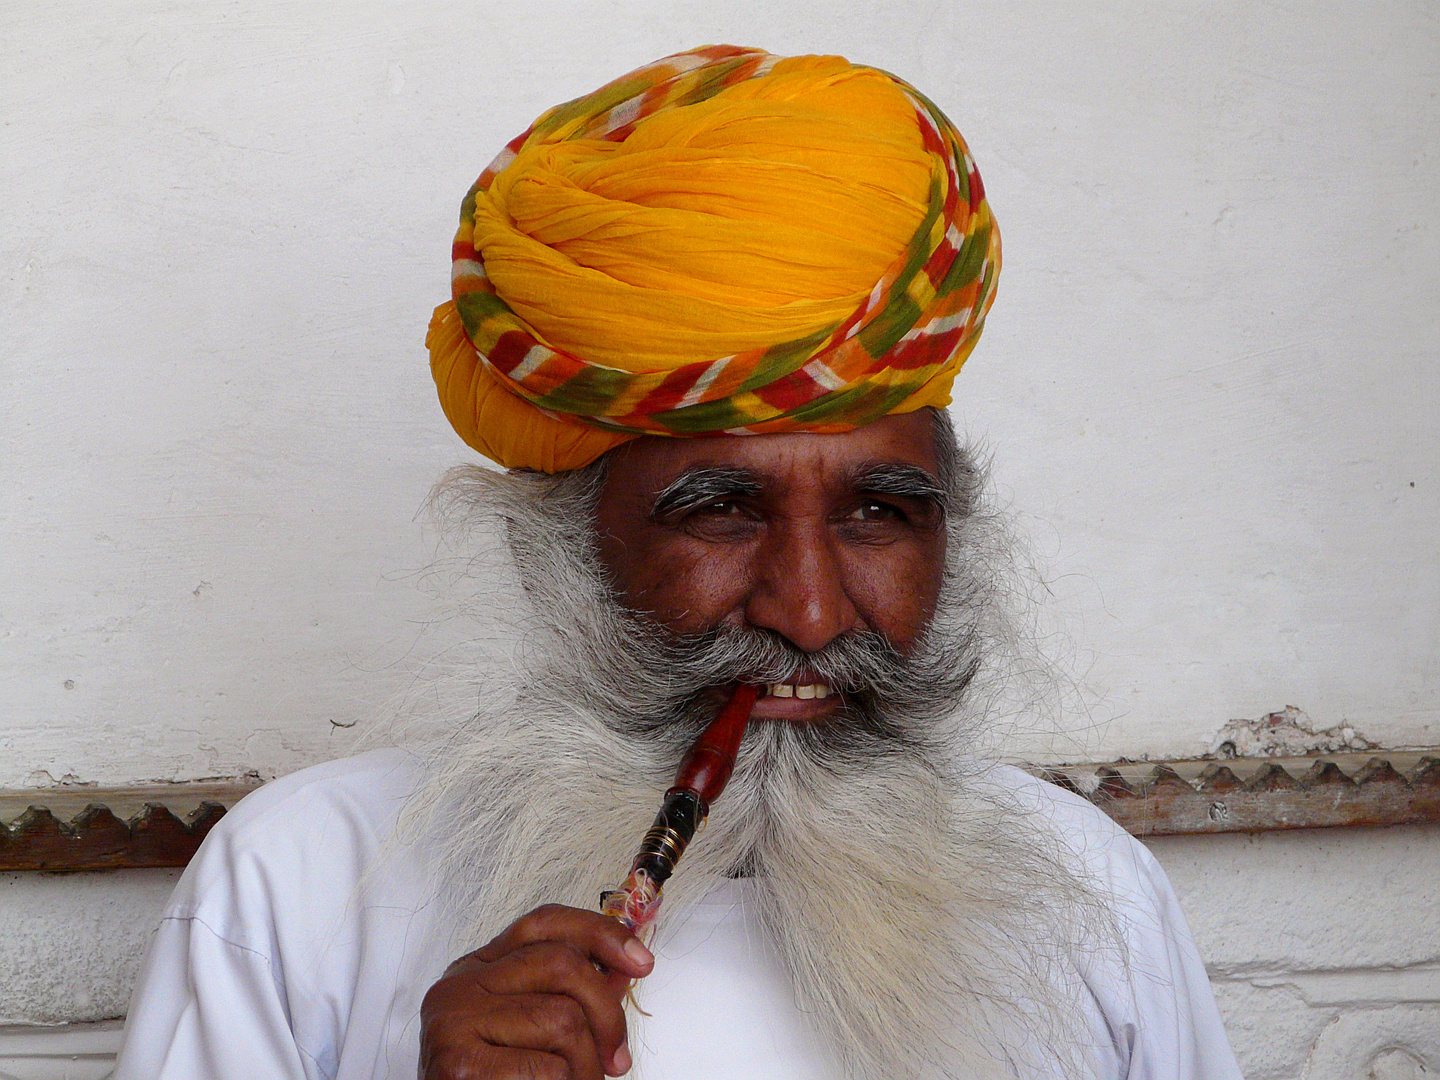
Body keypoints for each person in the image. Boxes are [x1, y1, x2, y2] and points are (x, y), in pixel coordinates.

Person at [113, 46, 1243, 1080]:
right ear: (559, 549)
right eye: (719, 512)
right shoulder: (303, 888)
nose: (807, 613)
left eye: (880, 515)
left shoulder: (1088, 896)